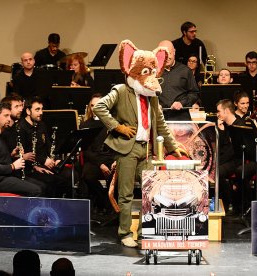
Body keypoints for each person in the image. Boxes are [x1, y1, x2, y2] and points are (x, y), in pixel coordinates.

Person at [93, 39, 186, 248]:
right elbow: (99, 107)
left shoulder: (152, 97)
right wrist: (117, 127)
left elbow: (160, 123)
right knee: (125, 193)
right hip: (128, 148)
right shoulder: (121, 90)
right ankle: (125, 232)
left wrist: (173, 146)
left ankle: (146, 231)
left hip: (146, 150)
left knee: (149, 193)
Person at [0, 102, 43, 196]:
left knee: (41, 186)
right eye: (6, 116)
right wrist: (12, 166)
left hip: (5, 177)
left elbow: (0, 160)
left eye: (9, 115)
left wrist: (11, 155)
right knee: (37, 190)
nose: (9, 119)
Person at [18, 97, 70, 198]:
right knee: (54, 181)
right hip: (33, 166)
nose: (41, 112)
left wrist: (56, 159)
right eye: (37, 109)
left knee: (70, 175)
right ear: (28, 111)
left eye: (41, 109)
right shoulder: (21, 128)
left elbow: (49, 145)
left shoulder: (41, 124)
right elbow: (26, 154)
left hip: (46, 162)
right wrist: (44, 160)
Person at [80, 94, 116, 213]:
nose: (94, 108)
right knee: (87, 176)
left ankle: (110, 207)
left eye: (98, 105)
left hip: (110, 158)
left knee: (115, 177)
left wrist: (116, 161)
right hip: (94, 159)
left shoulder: (111, 123)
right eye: (92, 106)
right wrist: (100, 164)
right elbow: (86, 151)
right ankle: (105, 201)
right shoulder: (85, 125)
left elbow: (117, 146)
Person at [158, 40, 199, 121]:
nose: (167, 57)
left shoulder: (185, 70)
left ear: (174, 52)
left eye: (169, 53)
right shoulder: (154, 72)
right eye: (164, 54)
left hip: (181, 117)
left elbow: (194, 93)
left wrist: (182, 103)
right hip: (159, 117)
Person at [215, 99, 239, 212]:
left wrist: (217, 163)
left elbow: (232, 151)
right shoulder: (223, 126)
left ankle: (230, 202)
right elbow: (220, 147)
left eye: (219, 111)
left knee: (217, 171)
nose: (217, 114)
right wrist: (221, 131)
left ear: (226, 111)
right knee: (216, 171)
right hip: (226, 160)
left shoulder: (239, 125)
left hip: (237, 160)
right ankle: (224, 201)